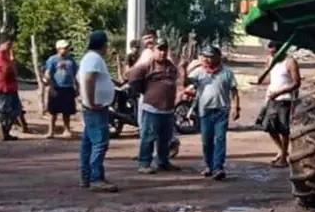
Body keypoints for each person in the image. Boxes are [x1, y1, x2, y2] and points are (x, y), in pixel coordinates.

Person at [127, 37, 181, 174]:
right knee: (148, 137)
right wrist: (144, 91)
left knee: (165, 138)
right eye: (160, 49)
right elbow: (132, 78)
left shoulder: (171, 66)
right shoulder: (147, 66)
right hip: (152, 108)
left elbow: (177, 79)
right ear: (154, 50)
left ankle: (163, 162)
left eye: (164, 49)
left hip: (167, 109)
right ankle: (144, 163)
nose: (162, 53)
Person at [186, 45, 240, 180]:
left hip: (221, 110)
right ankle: (209, 166)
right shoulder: (199, 72)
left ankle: (218, 167)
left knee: (220, 138)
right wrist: (187, 68)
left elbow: (234, 92)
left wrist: (236, 108)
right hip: (205, 111)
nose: (208, 60)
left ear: (218, 57)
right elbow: (185, 82)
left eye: (210, 56)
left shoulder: (227, 72)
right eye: (205, 56)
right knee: (206, 140)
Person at [77, 30, 118, 192]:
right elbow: (88, 79)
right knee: (100, 142)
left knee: (88, 143)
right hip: (95, 108)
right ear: (103, 44)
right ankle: (96, 178)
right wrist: (91, 101)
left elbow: (79, 79)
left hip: (92, 107)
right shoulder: (94, 58)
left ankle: (87, 176)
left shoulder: (88, 58)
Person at [260, 47, 302, 167]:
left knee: (283, 129)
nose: (272, 55)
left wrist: (279, 92)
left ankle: (283, 158)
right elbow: (270, 78)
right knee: (269, 126)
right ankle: (281, 150)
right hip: (271, 98)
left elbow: (296, 82)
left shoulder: (290, 62)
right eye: (270, 52)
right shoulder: (270, 60)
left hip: (285, 99)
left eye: (274, 52)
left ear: (282, 50)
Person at [0, 34, 28, 140]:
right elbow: (7, 70)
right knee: (2, 110)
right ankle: (1, 132)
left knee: (16, 109)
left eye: (11, 44)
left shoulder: (7, 55)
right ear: (2, 44)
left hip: (11, 87)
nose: (10, 46)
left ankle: (6, 131)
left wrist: (12, 63)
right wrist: (12, 64)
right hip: (2, 87)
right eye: (8, 44)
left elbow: (14, 71)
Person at [44, 39, 79, 139]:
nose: (66, 50)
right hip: (56, 87)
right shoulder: (52, 60)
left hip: (68, 88)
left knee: (66, 111)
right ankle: (51, 131)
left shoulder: (71, 60)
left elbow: (75, 74)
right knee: (53, 112)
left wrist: (77, 87)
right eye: (64, 48)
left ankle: (67, 130)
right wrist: (51, 87)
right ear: (58, 49)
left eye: (67, 48)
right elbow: (48, 74)